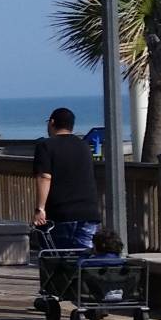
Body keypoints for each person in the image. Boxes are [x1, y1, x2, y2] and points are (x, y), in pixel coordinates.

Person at [31, 107, 102, 252]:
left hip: (61, 214)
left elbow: (44, 177)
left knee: (56, 261)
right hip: (88, 213)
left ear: (51, 122)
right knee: (84, 260)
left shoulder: (46, 146)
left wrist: (40, 209)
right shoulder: (84, 146)